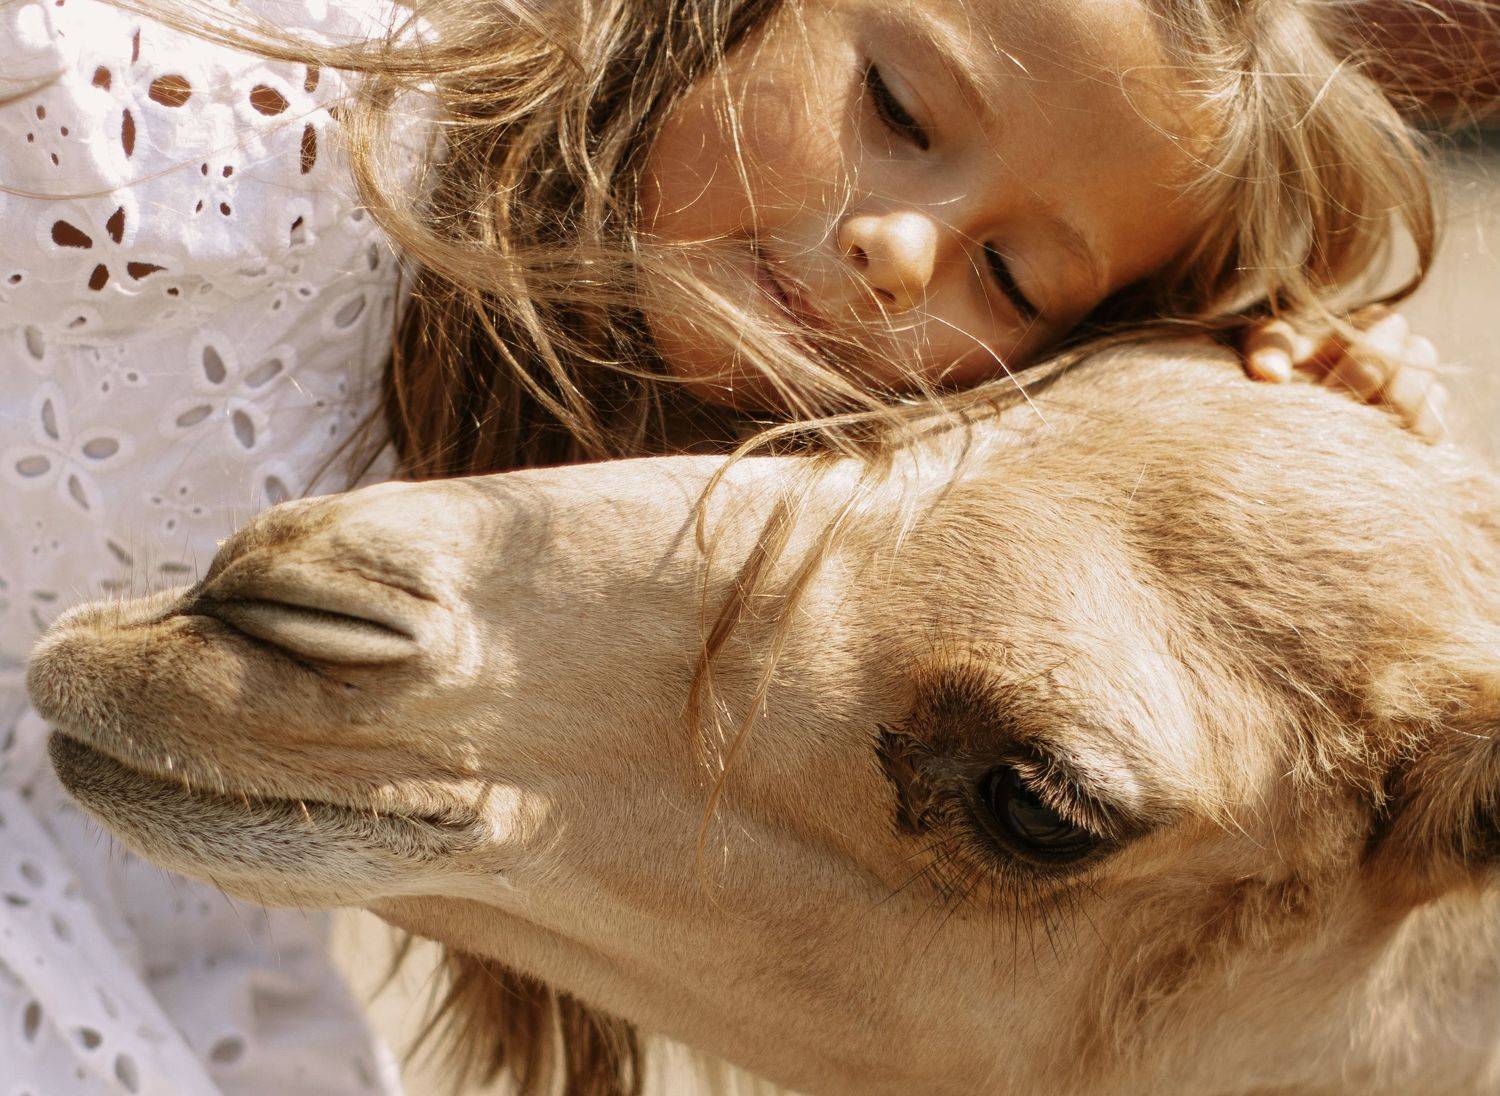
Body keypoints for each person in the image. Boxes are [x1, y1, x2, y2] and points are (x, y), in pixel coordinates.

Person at [0, 0, 1447, 1091]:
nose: (905, 249)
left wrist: (1288, 403)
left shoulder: (744, 427)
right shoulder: (229, 133)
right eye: (895, 109)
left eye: (1010, 277)